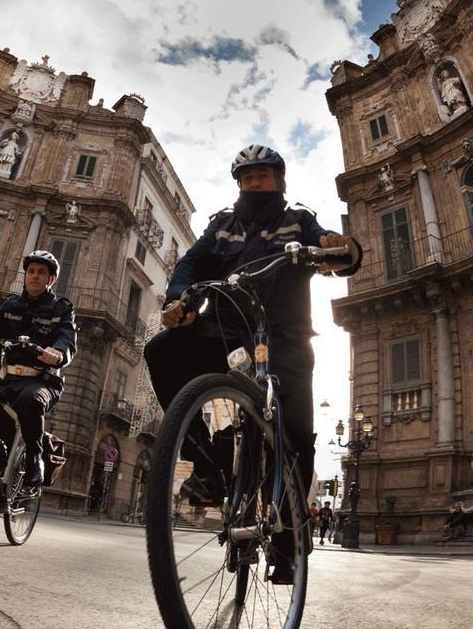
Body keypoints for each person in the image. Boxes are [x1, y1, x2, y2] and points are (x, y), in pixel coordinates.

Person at [144, 145, 362, 582]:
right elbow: (191, 263)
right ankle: (207, 461)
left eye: (260, 176)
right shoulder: (223, 225)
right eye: (245, 178)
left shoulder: (298, 219)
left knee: (296, 434)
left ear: (278, 180)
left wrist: (343, 250)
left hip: (285, 338)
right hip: (223, 331)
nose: (252, 184)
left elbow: (332, 251)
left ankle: (289, 543)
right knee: (162, 349)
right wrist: (179, 301)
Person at [0, 249, 76, 489]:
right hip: (7, 380)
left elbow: (66, 338)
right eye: (31, 271)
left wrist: (58, 353)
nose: (35, 276)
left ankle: (33, 460)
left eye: (41, 272)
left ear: (51, 279)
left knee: (31, 400)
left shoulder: (61, 309)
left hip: (42, 381)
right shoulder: (11, 305)